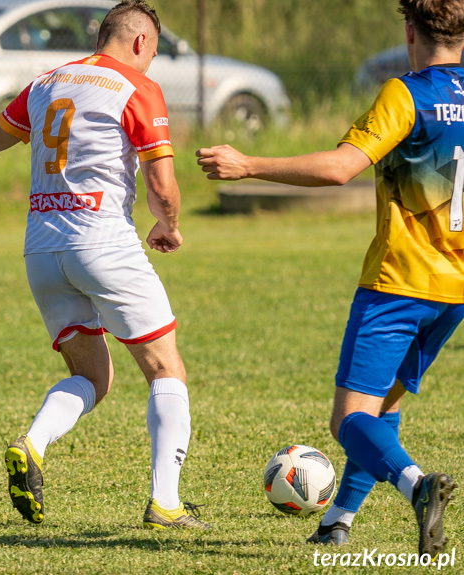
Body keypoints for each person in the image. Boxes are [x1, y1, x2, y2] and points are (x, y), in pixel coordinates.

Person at [0, 0, 208, 529]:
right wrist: (170, 224)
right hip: (104, 242)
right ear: (140, 43)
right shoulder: (137, 86)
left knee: (93, 376)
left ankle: (33, 443)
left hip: (42, 249)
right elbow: (161, 185)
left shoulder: (45, 83)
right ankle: (166, 502)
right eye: (153, 51)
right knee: (165, 368)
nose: (152, 62)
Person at [197, 0, 462, 558]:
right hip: (455, 293)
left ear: (409, 30)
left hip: (399, 283)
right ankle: (336, 521)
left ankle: (417, 487)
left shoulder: (406, 92)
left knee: (348, 420)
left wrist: (249, 165)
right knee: (382, 410)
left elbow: (342, 167)